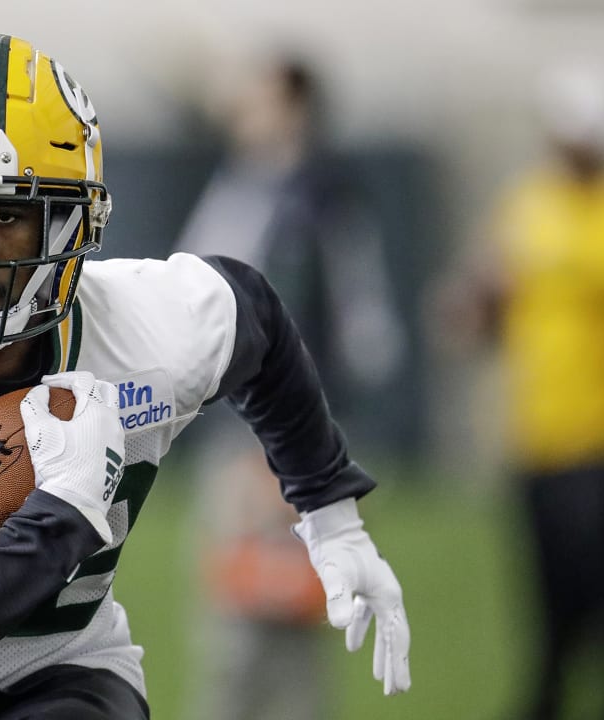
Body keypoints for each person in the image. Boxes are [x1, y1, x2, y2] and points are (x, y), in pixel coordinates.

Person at [0, 32, 411, 719]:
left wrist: (330, 513)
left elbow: (259, 323)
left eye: (6, 214)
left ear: (68, 222)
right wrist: (62, 511)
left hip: (58, 681)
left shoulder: (144, 324)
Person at [173, 54, 407, 720]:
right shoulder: (240, 188)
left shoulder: (325, 200)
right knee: (237, 621)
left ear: (296, 108)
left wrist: (313, 443)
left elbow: (365, 326)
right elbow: (189, 290)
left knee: (295, 612)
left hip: (289, 431)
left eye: (265, 99)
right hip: (237, 427)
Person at [440, 59, 604, 720]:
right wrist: (470, 309)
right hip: (537, 437)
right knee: (547, 601)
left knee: (602, 600)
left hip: (603, 440)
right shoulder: (529, 205)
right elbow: (491, 292)